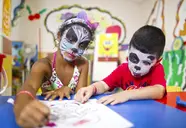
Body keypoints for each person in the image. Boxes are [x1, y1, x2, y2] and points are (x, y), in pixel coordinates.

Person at [14, 11, 98, 128]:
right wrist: (22, 105)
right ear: (59, 36)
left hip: (73, 119)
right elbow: (29, 87)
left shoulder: (83, 64)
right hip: (48, 115)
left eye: (82, 45)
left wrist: (68, 89)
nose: (75, 48)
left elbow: (81, 96)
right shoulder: (43, 65)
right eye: (71, 40)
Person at [75, 25, 166, 106]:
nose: (137, 66)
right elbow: (104, 85)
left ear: (157, 61)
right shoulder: (123, 70)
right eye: (134, 58)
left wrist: (127, 94)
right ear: (128, 51)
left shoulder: (157, 69)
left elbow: (159, 91)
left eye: (146, 62)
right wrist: (92, 88)